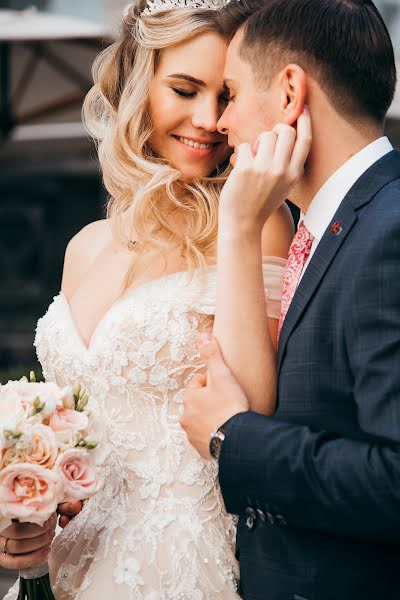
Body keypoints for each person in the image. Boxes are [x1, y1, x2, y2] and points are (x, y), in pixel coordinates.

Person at [4, 0, 308, 598]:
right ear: (142, 84)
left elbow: (254, 416)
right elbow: (83, 436)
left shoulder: (259, 224)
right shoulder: (85, 246)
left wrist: (240, 223)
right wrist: (31, 518)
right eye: (185, 89)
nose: (208, 119)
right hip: (70, 567)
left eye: (226, 97)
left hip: (179, 566)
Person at [181, 1, 400, 599]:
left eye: (230, 92)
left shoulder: (389, 231)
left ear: (288, 94)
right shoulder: (334, 225)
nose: (220, 123)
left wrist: (234, 438)